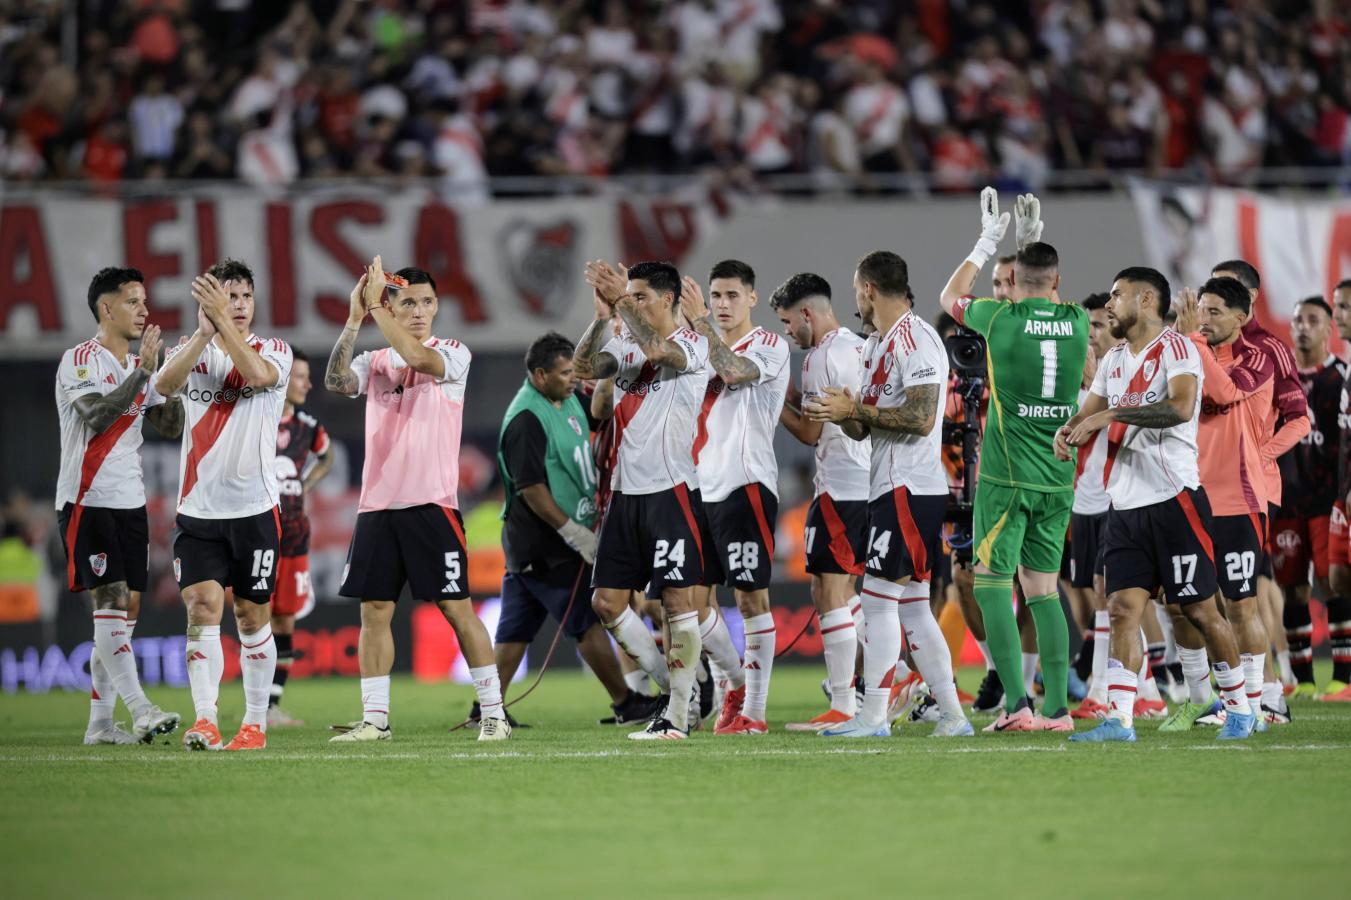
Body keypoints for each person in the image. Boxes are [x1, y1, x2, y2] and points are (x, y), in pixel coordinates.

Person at [1060, 266, 1256, 743]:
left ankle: (1242, 708)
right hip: (1124, 507)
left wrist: (1108, 415)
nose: (1109, 305)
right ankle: (1120, 719)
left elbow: (1181, 407)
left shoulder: (1179, 348)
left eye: (1116, 296)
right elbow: (1088, 412)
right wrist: (1066, 430)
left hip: (1174, 502)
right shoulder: (1113, 361)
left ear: (1146, 300)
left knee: (1202, 613)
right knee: (1123, 609)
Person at [324, 258, 508, 743]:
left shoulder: (453, 352)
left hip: (432, 505)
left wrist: (375, 309)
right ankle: (375, 721)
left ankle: (494, 713)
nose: (420, 311)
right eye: (409, 303)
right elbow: (336, 382)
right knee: (374, 612)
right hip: (378, 507)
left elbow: (420, 359)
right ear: (392, 306)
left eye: (427, 302)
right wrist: (353, 318)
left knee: (456, 609)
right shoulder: (374, 362)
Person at [805, 250, 973, 738]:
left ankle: (874, 716)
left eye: (856, 288)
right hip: (889, 485)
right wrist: (843, 415)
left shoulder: (916, 340)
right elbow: (866, 430)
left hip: (909, 487)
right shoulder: (877, 345)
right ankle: (954, 716)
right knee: (914, 605)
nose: (855, 296)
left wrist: (858, 407)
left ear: (869, 289)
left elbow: (921, 419)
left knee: (877, 602)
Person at [939, 189, 1086, 732]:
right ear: (1058, 284)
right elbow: (1040, 294)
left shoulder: (998, 320)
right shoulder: (1074, 320)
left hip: (1005, 474)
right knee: (1044, 591)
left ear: (1014, 284)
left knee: (992, 585)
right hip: (1058, 477)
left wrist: (987, 242)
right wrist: (1030, 245)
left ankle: (1018, 707)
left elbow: (950, 294)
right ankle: (1057, 710)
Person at [155, 258, 293, 751]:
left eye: (243, 297)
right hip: (198, 512)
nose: (236, 306)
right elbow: (164, 388)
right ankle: (206, 720)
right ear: (206, 303)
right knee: (201, 607)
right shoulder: (187, 352)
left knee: (253, 617)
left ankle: (254, 725)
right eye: (227, 296)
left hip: (255, 510)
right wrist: (200, 334)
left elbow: (255, 375)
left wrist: (222, 328)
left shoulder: (273, 349)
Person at [573, 259, 711, 740]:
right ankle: (680, 691)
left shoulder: (693, 344)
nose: (630, 305)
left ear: (668, 300)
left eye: (640, 297)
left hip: (670, 489)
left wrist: (620, 306)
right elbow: (584, 368)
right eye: (628, 297)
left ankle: (675, 716)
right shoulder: (626, 342)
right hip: (626, 494)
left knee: (676, 602)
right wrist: (598, 318)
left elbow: (658, 348)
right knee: (606, 602)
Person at [495, 331, 660, 725]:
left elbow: (603, 411)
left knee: (516, 630)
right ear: (539, 375)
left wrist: (603, 324)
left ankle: (485, 707)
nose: (575, 379)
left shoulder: (565, 399)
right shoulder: (525, 420)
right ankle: (626, 702)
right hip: (545, 541)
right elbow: (531, 488)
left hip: (539, 545)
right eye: (567, 373)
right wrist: (574, 532)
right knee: (588, 622)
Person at [56, 266, 182, 745]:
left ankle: (101, 726)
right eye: (134, 302)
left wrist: (167, 376)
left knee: (123, 616)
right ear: (106, 308)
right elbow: (97, 415)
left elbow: (169, 427)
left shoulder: (140, 365)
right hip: (87, 498)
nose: (145, 311)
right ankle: (142, 709)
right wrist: (145, 373)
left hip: (130, 503)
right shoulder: (79, 360)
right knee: (107, 605)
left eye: (145, 302)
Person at [678, 260, 791, 736]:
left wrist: (700, 323)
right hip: (698, 484)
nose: (722, 305)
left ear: (752, 298)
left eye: (730, 296)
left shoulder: (768, 344)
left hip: (745, 484)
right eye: (715, 296)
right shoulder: (699, 345)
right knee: (688, 600)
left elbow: (736, 372)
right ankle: (733, 680)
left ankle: (756, 714)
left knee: (750, 599)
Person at [1162, 278, 1278, 732]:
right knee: (1183, 604)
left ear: (1241, 317)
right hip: (1189, 495)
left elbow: (1225, 392)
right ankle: (1202, 699)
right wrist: (1181, 339)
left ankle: (1254, 706)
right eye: (1200, 310)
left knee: (1240, 604)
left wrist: (1190, 338)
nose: (1204, 319)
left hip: (1237, 498)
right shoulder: (1186, 350)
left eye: (1214, 312)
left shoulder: (1258, 357)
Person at [1211, 260, 1311, 704]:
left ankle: (1269, 688)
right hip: (1208, 484)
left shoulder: (1268, 347)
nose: (1215, 299)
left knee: (1251, 591)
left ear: (1248, 298)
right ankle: (1241, 693)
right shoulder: (1208, 343)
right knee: (1214, 597)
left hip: (1255, 486)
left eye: (1227, 290)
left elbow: (1298, 418)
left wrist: (1261, 454)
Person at [774, 272, 870, 730]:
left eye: (788, 322)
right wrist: (791, 395)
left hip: (841, 488)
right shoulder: (859, 346)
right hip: (868, 485)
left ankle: (843, 703)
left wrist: (773, 403)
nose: (787, 332)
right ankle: (899, 676)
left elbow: (812, 432)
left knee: (831, 591)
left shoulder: (817, 358)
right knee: (845, 593)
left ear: (807, 314)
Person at [1271, 296, 1341, 707]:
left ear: (1328, 327)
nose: (1302, 326)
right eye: (1297, 319)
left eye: (1312, 320)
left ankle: (1342, 677)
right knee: (1293, 588)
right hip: (1289, 499)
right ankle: (1303, 678)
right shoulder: (1281, 379)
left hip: (1328, 499)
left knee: (1333, 582)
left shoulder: (1341, 378)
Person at [267, 347, 334, 727]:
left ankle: (272, 706)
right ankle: (256, 704)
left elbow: (327, 457)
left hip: (294, 534)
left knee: (285, 621)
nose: (308, 383)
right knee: (254, 618)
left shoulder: (307, 426)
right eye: (300, 376)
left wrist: (305, 483)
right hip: (260, 530)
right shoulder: (256, 418)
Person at [1068, 292, 1117, 719]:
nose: (1092, 335)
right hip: (1083, 502)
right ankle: (1153, 687)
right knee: (1094, 596)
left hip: (1118, 499)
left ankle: (1103, 690)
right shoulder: (1077, 379)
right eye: (1088, 326)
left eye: (1099, 325)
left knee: (1112, 594)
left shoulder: (1121, 374)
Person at [1326, 279, 1351, 701]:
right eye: (1337, 307)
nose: (1339, 315)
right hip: (1342, 493)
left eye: (1346, 307)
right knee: (1339, 578)